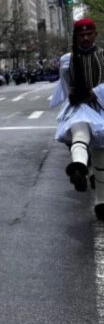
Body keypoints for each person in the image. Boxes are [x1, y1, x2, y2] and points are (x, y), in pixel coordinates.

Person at [50, 18, 104, 220]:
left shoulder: (102, 56)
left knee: (100, 158)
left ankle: (101, 201)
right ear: (76, 37)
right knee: (80, 132)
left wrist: (94, 94)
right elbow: (64, 87)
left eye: (89, 34)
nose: (86, 38)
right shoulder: (67, 60)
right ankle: (79, 167)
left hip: (99, 106)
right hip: (79, 106)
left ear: (95, 35)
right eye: (82, 35)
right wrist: (73, 98)